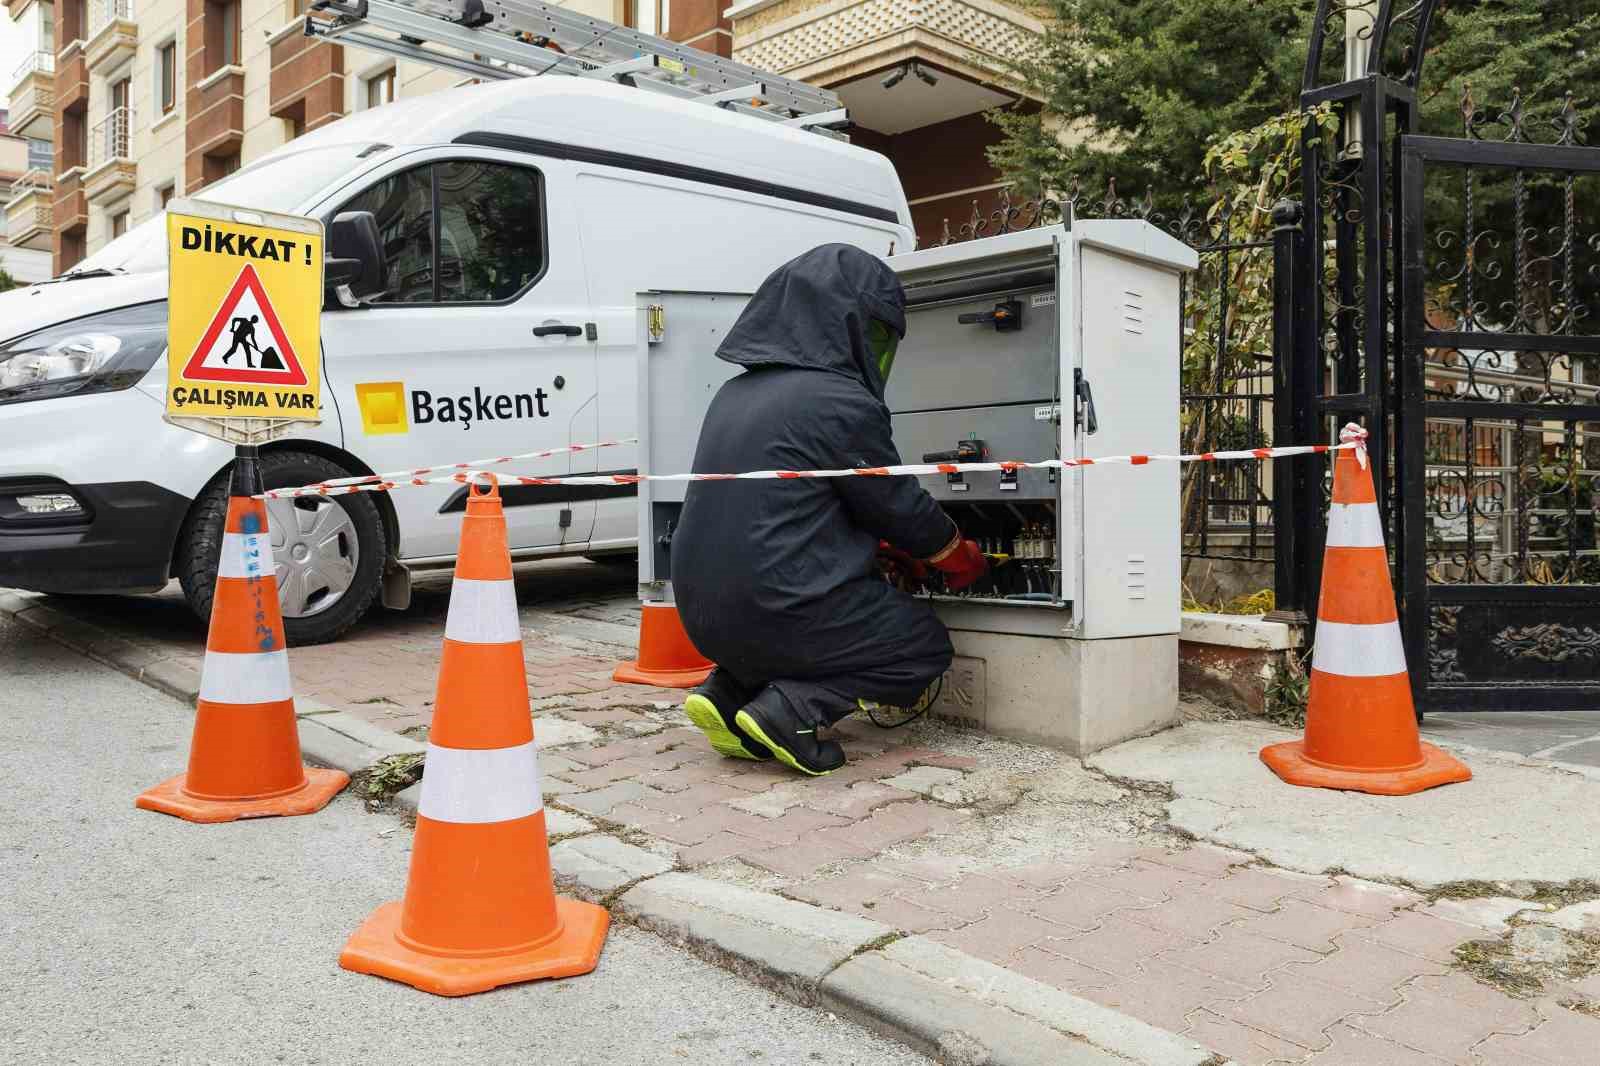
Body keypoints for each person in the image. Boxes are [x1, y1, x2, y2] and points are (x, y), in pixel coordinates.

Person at [671, 244, 987, 776]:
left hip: (704, 618)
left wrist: (881, 548)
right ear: (850, 327)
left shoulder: (733, 394)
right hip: (779, 610)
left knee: (784, 628)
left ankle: (726, 694)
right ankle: (794, 710)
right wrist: (956, 554)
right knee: (921, 644)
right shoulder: (837, 399)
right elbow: (900, 507)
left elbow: (788, 510)